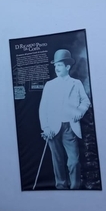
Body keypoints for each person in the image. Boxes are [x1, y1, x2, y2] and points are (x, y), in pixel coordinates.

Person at [38, 49, 91, 189]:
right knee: (57, 161)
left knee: (73, 161)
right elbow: (43, 108)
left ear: (68, 67)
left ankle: (75, 188)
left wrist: (79, 112)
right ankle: (61, 186)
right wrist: (46, 128)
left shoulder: (76, 83)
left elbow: (86, 102)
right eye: (55, 66)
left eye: (60, 65)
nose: (56, 68)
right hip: (53, 128)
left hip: (70, 127)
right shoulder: (49, 85)